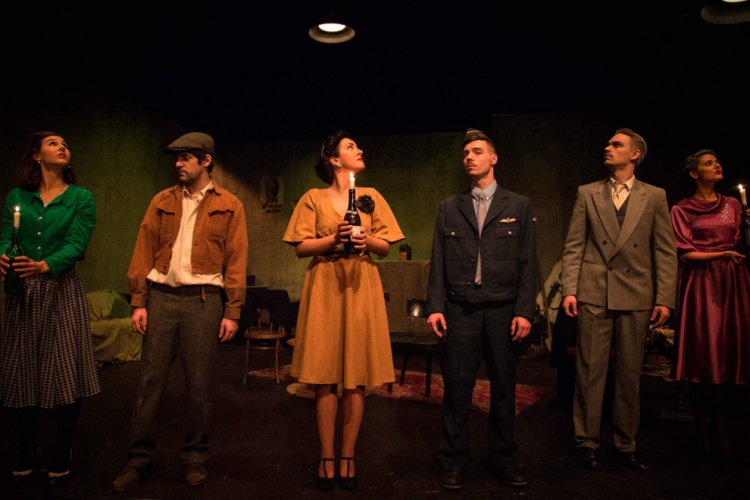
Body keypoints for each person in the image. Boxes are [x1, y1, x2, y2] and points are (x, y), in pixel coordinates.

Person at [112, 132, 248, 492]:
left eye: (185, 157)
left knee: (200, 384)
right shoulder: (162, 201)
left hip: (204, 300)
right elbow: (143, 249)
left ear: (206, 161)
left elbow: (236, 259)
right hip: (162, 297)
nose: (178, 164)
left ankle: (195, 456)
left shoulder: (230, 204)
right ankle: (137, 458)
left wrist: (233, 310)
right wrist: (138, 301)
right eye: (177, 158)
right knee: (150, 381)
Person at [282, 129, 404, 492]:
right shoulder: (313, 197)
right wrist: (333, 239)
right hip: (325, 284)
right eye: (351, 147)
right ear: (334, 159)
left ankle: (348, 454)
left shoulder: (371, 196)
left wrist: (368, 240)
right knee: (324, 373)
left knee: (356, 374)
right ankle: (326, 455)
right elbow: (301, 247)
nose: (360, 149)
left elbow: (386, 246)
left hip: (361, 283)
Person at [426, 128, 538, 490]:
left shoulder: (518, 205)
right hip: (461, 310)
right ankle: (453, 461)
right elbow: (437, 261)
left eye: (477, 151)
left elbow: (528, 262)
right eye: (465, 153)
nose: (469, 157)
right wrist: (435, 306)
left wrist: (524, 311)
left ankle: (504, 458)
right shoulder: (450, 206)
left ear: (494, 158)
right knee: (457, 389)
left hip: (503, 310)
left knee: (504, 388)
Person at [561, 128, 678, 473]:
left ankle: (626, 443)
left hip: (636, 293)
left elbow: (665, 251)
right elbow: (574, 245)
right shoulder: (587, 192)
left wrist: (665, 297)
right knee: (589, 372)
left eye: (616, 144)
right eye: (609, 143)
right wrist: (570, 289)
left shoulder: (654, 196)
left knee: (629, 375)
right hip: (594, 290)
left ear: (635, 154)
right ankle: (586, 441)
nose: (607, 147)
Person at [0, 131, 100, 484]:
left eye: (65, 144)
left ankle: (62, 447)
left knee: (65, 370)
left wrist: (45, 265)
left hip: (61, 290)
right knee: (24, 370)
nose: (62, 147)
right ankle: (28, 447)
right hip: (23, 292)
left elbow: (77, 243)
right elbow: (6, 235)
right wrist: (4, 256)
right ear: (37, 156)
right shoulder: (18, 197)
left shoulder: (80, 197)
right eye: (53, 143)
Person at [669, 149, 750, 466]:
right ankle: (700, 428)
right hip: (702, 283)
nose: (717, 165)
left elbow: (741, 242)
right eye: (708, 163)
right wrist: (722, 255)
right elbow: (684, 254)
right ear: (694, 173)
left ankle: (721, 428)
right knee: (704, 354)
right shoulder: (682, 209)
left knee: (728, 352)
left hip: (733, 281)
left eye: (717, 161)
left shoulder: (733, 205)